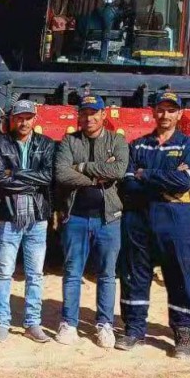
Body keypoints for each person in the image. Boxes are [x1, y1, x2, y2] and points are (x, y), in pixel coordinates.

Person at [118, 91, 190, 357]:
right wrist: (164, 181)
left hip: (176, 219)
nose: (165, 115)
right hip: (139, 217)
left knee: (180, 274)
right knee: (135, 273)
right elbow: (127, 183)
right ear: (153, 112)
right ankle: (134, 329)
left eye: (171, 110)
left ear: (180, 114)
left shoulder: (188, 145)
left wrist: (145, 174)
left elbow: (185, 182)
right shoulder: (138, 145)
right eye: (161, 109)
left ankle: (183, 332)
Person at [54, 95, 129, 347]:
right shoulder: (69, 140)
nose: (89, 118)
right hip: (75, 217)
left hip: (108, 219)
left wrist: (81, 166)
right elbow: (62, 174)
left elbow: (118, 170)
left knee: (107, 274)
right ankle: (69, 323)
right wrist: (97, 177)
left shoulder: (117, 140)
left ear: (103, 114)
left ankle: (104, 324)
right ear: (79, 116)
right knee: (72, 272)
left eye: (94, 113)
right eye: (84, 113)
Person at [0, 99, 55, 343]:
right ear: (12, 119)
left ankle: (32, 323)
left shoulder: (46, 144)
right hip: (8, 215)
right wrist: (30, 181)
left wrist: (14, 173)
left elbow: (48, 177)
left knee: (35, 274)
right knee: (4, 272)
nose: (24, 122)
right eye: (19, 118)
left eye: (28, 118)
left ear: (35, 119)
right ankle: (2, 323)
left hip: (37, 216)